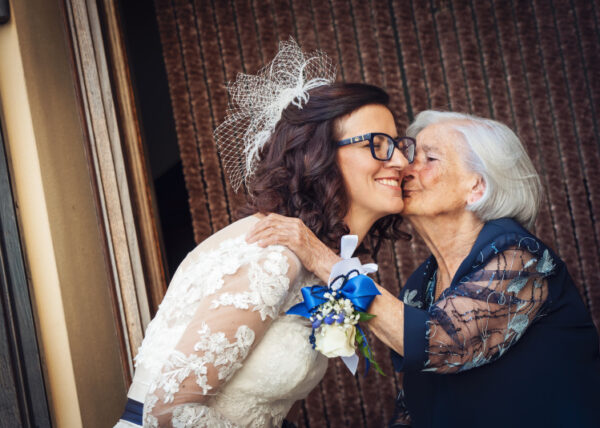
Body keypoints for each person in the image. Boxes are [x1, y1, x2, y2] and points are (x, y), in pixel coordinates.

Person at [114, 39, 416, 427]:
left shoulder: (312, 255)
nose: (401, 161)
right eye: (378, 144)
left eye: (398, 145)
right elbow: (167, 413)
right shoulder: (272, 254)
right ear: (319, 155)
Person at [247, 110, 600, 427]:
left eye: (429, 158)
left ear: (476, 188)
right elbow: (416, 406)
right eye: (411, 155)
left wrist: (320, 257)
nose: (405, 167)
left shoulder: (521, 259)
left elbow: (441, 343)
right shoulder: (421, 285)